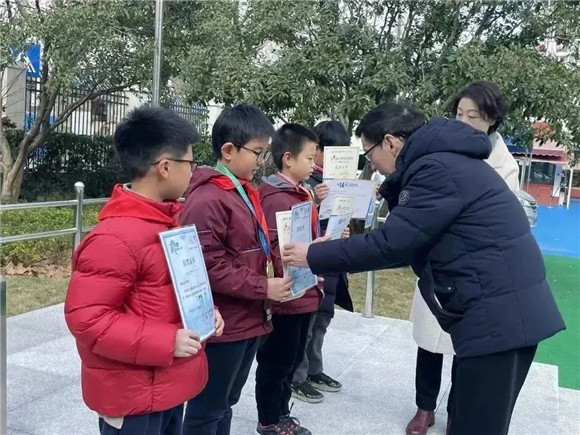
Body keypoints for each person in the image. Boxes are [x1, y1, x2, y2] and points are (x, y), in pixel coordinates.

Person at [282, 101, 565, 435]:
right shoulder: (446, 161)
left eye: (368, 152)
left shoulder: (435, 170)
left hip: (497, 318)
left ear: (390, 142)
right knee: (468, 419)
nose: (370, 162)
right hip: (500, 313)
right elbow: (409, 243)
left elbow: (390, 244)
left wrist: (313, 255)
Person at [65, 107, 224, 435]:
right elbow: (88, 319)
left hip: (164, 387)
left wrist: (205, 314)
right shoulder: (115, 237)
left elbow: (169, 292)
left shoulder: (169, 223)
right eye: (191, 164)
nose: (194, 173)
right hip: (133, 396)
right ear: (166, 167)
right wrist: (167, 341)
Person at [406, 80, 522, 435]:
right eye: (459, 113)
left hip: (472, 268)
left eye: (475, 115)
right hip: (437, 259)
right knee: (429, 341)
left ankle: (457, 408)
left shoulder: (503, 163)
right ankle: (424, 408)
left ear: (492, 119)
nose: (465, 121)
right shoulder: (441, 148)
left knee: (464, 347)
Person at [180, 104, 293, 435]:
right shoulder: (208, 199)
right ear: (228, 150)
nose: (261, 162)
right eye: (257, 153)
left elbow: (251, 246)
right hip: (223, 324)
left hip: (248, 319)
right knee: (207, 408)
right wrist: (263, 287)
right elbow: (207, 266)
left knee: (225, 403)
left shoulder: (241, 190)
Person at [255, 123, 325, 435]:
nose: (314, 165)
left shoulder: (301, 192)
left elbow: (306, 236)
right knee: (277, 360)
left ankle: (282, 413)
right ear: (287, 158)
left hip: (306, 289)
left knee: (293, 357)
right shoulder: (274, 197)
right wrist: (314, 247)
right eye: (310, 159)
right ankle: (269, 419)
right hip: (286, 294)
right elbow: (271, 248)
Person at [291, 120, 354, 404]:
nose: (334, 160)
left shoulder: (338, 183)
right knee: (307, 320)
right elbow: (293, 221)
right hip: (311, 260)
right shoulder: (303, 182)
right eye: (328, 153)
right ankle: (297, 377)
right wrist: (314, 201)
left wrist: (345, 230)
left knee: (323, 319)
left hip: (333, 259)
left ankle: (315, 370)